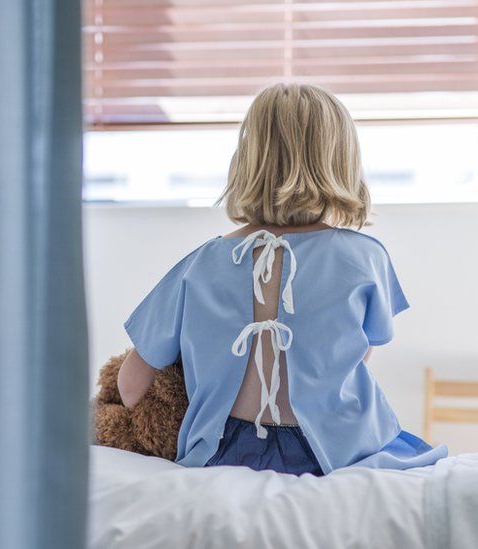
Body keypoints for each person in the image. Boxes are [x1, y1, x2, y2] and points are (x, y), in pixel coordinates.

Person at [116, 83, 447, 475]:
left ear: (247, 161)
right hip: (336, 452)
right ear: (342, 162)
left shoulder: (199, 265)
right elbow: (354, 356)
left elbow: (131, 387)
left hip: (223, 454)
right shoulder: (365, 257)